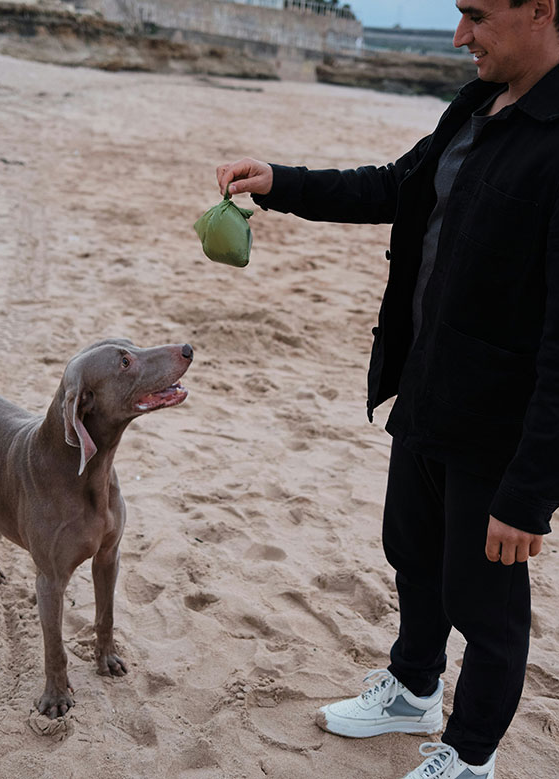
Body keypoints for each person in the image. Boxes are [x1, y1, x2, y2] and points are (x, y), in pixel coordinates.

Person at [216, 1, 559, 777]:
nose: (459, 36)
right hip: (426, 391)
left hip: (496, 431)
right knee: (412, 554)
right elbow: (393, 189)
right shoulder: (475, 106)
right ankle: (412, 688)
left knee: (487, 608)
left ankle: (471, 757)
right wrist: (280, 183)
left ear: (541, 8)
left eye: (476, 15)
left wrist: (530, 492)